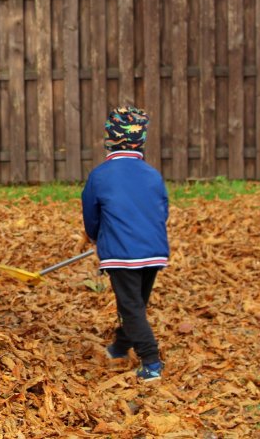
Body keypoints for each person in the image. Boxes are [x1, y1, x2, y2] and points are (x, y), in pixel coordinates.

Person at [79, 105, 170, 381]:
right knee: (135, 304)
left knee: (131, 307)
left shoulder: (101, 175)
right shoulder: (153, 174)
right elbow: (162, 210)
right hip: (153, 251)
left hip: (122, 253)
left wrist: (95, 236)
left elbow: (91, 214)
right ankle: (120, 345)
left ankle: (151, 360)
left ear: (110, 137)